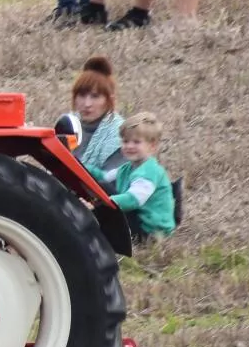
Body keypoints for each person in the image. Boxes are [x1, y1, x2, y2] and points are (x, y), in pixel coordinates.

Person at [109, 112, 174, 242]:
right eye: (125, 141)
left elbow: (133, 200)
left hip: (150, 230)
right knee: (103, 187)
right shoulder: (128, 167)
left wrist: (101, 202)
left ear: (152, 146)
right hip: (139, 217)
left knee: (108, 215)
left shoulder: (149, 172)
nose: (129, 146)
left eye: (136, 142)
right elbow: (104, 177)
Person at [67, 55, 125, 184]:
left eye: (95, 96)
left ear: (108, 99)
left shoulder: (119, 136)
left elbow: (112, 187)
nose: (87, 104)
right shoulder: (67, 125)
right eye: (82, 95)